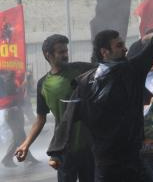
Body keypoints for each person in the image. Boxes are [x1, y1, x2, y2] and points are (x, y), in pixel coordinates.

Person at [47, 0, 153, 182]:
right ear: (104, 51)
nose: (125, 48)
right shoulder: (87, 83)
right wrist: (56, 153)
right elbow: (69, 116)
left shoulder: (132, 70)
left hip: (134, 159)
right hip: (106, 164)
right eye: (119, 45)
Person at [15, 34, 95, 181]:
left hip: (89, 145)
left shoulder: (81, 68)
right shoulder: (43, 84)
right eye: (61, 52)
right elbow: (40, 119)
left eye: (66, 51)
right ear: (48, 55)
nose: (65, 55)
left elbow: (106, 71)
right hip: (64, 148)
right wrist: (25, 145)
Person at [1, 70, 39, 168]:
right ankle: (22, 158)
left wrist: (25, 83)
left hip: (17, 112)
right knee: (20, 137)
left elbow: (22, 96)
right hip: (12, 113)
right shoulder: (8, 81)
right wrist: (22, 86)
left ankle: (20, 158)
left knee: (18, 137)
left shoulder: (14, 81)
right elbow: (11, 93)